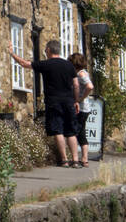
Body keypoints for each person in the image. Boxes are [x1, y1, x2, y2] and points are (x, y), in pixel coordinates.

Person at [9, 39, 81, 167]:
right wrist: (76, 101)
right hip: (68, 101)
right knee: (71, 131)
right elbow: (76, 84)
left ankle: (64, 160)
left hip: (54, 101)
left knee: (58, 130)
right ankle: (75, 160)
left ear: (48, 50)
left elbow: (25, 64)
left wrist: (12, 54)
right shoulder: (69, 65)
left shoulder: (46, 64)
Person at [70, 53, 94, 166]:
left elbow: (90, 86)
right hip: (85, 108)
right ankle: (84, 158)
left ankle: (84, 158)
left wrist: (80, 98)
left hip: (82, 108)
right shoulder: (82, 72)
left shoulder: (81, 74)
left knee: (79, 132)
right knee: (80, 131)